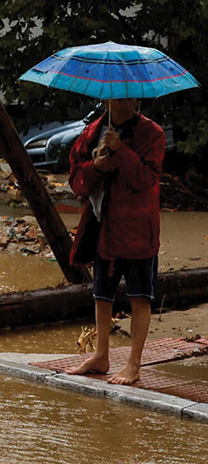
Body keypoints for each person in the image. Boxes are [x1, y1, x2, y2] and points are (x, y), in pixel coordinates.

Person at [67, 97, 166, 385]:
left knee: (139, 296)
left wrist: (122, 152)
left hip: (137, 228)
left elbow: (146, 179)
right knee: (102, 294)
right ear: (108, 100)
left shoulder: (152, 134)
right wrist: (96, 166)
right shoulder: (91, 132)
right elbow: (76, 180)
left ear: (137, 99)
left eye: (130, 97)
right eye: (118, 98)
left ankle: (133, 364)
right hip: (102, 224)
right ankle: (101, 355)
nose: (125, 103)